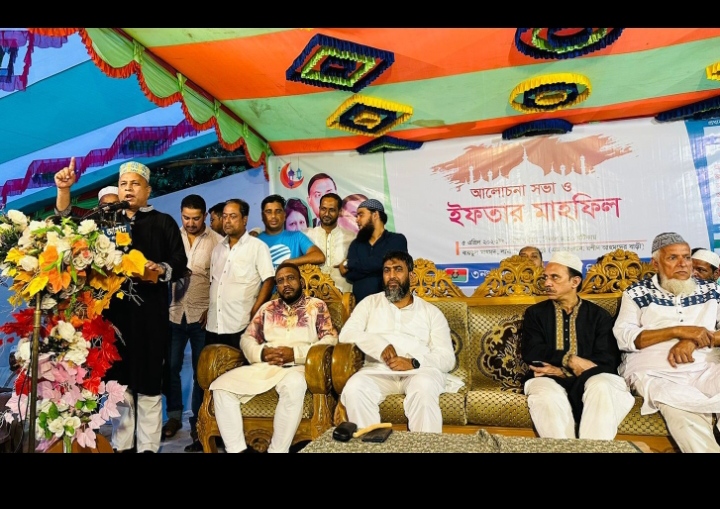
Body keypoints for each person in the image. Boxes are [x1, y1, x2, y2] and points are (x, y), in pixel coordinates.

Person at [55, 160, 189, 454]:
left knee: (149, 385)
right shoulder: (104, 223)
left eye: (135, 184)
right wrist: (64, 191)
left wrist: (160, 268)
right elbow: (67, 228)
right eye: (123, 184)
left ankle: (149, 448)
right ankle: (122, 447)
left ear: (148, 190)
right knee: (119, 386)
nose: (128, 189)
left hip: (150, 318)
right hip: (113, 320)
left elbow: (180, 263)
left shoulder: (163, 222)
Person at [210, 262, 338, 453]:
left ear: (301, 282)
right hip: (266, 366)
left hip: (299, 366)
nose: (286, 284)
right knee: (220, 386)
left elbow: (330, 339)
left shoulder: (316, 306)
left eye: (291, 278)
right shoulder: (268, 308)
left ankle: (277, 450)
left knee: (294, 384)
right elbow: (247, 339)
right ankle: (237, 450)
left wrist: (296, 354)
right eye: (280, 281)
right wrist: (261, 353)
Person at [613, 232, 720, 453]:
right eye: (673, 258)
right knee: (684, 416)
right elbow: (625, 337)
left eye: (687, 257)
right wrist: (678, 331)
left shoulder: (711, 291)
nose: (683, 264)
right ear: (656, 263)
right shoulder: (636, 293)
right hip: (656, 371)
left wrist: (693, 341)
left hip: (706, 367)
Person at [339, 251, 462, 433]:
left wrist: (413, 362)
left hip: (419, 372)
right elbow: (346, 334)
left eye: (398, 270)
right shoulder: (369, 303)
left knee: (424, 388)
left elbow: (447, 358)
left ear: (411, 276)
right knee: (355, 388)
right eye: (387, 271)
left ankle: (425, 446)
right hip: (378, 370)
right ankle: (371, 443)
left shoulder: (431, 312)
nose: (392, 276)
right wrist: (379, 345)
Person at [521, 251, 634, 440]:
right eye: (545, 277)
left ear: (574, 282)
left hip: (592, 378)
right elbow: (533, 351)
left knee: (601, 386)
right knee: (546, 397)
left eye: (555, 277)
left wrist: (562, 371)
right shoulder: (535, 314)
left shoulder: (599, 316)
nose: (547, 283)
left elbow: (607, 360)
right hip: (547, 378)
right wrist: (569, 360)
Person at [163, 194, 223, 452]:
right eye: (186, 217)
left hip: (202, 317)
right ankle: (174, 416)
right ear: (181, 214)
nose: (190, 223)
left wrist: (212, 308)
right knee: (171, 367)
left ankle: (200, 423)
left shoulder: (217, 241)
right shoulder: (171, 238)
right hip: (174, 314)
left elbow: (220, 281)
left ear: (205, 215)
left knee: (202, 373)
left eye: (196, 218)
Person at [206, 198, 275, 349]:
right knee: (212, 363)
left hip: (241, 325)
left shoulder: (257, 247)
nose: (227, 221)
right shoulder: (217, 249)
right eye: (225, 216)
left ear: (244, 220)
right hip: (214, 325)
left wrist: (255, 310)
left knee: (241, 364)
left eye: (233, 216)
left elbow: (269, 280)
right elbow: (215, 283)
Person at [338, 198, 408, 303]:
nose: (357, 220)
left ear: (375, 215)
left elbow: (384, 263)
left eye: (361, 215)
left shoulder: (396, 240)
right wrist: (378, 269)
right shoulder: (356, 244)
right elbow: (351, 275)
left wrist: (350, 263)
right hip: (362, 305)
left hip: (392, 304)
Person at [256, 194, 325, 270]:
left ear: (284, 215)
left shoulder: (297, 236)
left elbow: (319, 257)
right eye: (269, 212)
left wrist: (289, 263)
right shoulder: (255, 241)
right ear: (262, 216)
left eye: (278, 211)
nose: (273, 216)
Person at [305, 192, 354, 293]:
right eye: (323, 209)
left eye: (332, 210)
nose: (326, 214)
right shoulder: (307, 235)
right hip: (312, 296)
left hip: (343, 294)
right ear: (319, 209)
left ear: (339, 211)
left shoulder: (351, 237)